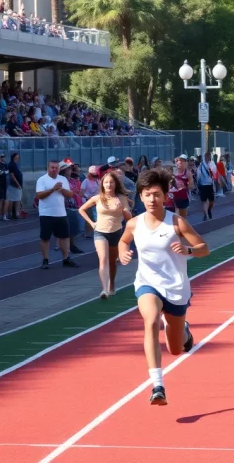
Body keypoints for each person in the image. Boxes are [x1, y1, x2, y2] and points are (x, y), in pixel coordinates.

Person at [118, 169, 208, 406]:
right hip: (148, 283)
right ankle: (158, 385)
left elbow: (204, 248)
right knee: (150, 321)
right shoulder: (134, 224)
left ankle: (184, 330)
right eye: (147, 194)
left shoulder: (177, 223)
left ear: (166, 196)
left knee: (176, 350)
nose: (151, 199)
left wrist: (188, 250)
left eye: (156, 194)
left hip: (176, 288)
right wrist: (123, 252)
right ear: (140, 196)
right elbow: (123, 239)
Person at [80, 171, 132, 299]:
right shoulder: (98, 198)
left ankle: (112, 284)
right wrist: (92, 223)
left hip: (116, 232)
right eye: (106, 182)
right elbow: (81, 209)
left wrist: (122, 209)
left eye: (111, 182)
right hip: (100, 231)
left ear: (115, 184)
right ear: (102, 184)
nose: (108, 185)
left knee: (112, 261)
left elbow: (129, 217)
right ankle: (104, 289)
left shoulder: (121, 198)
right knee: (103, 259)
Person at [36, 160, 78, 269]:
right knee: (45, 237)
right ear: (48, 168)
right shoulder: (42, 180)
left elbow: (70, 194)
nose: (54, 170)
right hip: (46, 214)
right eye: (52, 167)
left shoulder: (63, 179)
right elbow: (39, 196)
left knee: (64, 236)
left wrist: (62, 190)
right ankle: (45, 260)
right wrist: (52, 189)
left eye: (56, 168)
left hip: (61, 213)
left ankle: (66, 258)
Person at [172, 155, 194, 219]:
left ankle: (183, 227)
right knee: (175, 217)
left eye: (182, 162)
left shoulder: (187, 173)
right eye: (178, 161)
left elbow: (192, 186)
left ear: (185, 163)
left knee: (183, 218)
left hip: (183, 197)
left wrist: (186, 186)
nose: (179, 163)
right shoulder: (173, 172)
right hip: (173, 197)